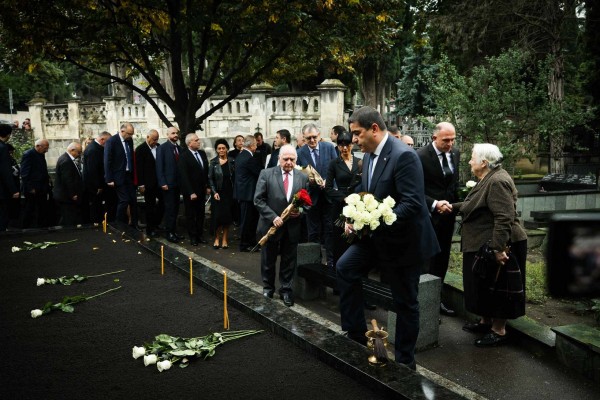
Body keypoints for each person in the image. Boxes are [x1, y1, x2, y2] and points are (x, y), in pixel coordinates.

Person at [336, 106, 439, 370]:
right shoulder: (369, 156)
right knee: (345, 267)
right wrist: (353, 217)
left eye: (357, 134)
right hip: (376, 235)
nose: (354, 140)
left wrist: (373, 220)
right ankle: (356, 336)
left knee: (405, 302)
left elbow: (413, 204)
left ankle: (405, 363)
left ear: (374, 129)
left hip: (404, 242)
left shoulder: (404, 156)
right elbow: (367, 191)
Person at [449, 143, 527, 347]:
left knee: (498, 287)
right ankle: (486, 322)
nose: (469, 161)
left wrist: (498, 248)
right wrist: (451, 207)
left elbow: (504, 217)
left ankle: (498, 330)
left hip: (499, 244)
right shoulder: (488, 178)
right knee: (482, 285)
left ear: (484, 162)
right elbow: (476, 205)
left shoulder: (498, 181)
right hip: (482, 243)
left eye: (472, 157)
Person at [254, 144, 309, 307]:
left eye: (292, 159)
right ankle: (268, 287)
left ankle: (286, 290)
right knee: (268, 259)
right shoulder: (266, 174)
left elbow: (307, 203)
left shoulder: (302, 177)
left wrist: (299, 211)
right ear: (279, 159)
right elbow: (258, 200)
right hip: (270, 226)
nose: (289, 162)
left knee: (288, 260)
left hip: (292, 227)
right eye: (286, 159)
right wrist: (273, 217)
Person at [417, 122, 459, 317]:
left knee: (442, 260)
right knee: (427, 261)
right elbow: (416, 190)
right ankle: (423, 303)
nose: (450, 144)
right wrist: (434, 204)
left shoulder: (455, 154)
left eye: (452, 139)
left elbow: (452, 185)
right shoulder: (421, 156)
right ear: (434, 138)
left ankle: (437, 300)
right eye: (446, 140)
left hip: (447, 217)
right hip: (429, 217)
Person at [324, 130, 363, 296]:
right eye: (341, 145)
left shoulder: (360, 162)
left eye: (347, 144)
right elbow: (327, 188)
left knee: (356, 242)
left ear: (352, 145)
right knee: (339, 243)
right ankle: (339, 284)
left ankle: (357, 283)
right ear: (338, 146)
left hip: (357, 207)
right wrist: (343, 198)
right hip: (340, 207)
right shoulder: (334, 163)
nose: (344, 148)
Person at [297, 123, 337, 268]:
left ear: (319, 135)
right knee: (312, 233)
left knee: (330, 230)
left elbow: (336, 169)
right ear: (304, 138)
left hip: (328, 197)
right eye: (309, 139)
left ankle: (332, 264)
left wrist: (329, 181)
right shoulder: (300, 153)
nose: (312, 141)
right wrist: (310, 181)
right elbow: (300, 177)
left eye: (314, 137)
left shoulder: (329, 148)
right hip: (311, 198)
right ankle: (314, 264)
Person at [178, 133, 210, 246]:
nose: (199, 141)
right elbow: (184, 176)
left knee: (201, 214)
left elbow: (206, 171)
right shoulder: (184, 156)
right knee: (191, 214)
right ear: (189, 143)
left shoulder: (202, 153)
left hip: (202, 190)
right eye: (196, 140)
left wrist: (208, 186)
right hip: (191, 192)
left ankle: (199, 235)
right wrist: (191, 192)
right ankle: (192, 237)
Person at [234, 135, 262, 252]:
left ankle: (251, 242)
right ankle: (244, 244)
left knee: (250, 220)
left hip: (244, 193)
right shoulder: (249, 158)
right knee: (247, 221)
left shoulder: (241, 155)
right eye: (255, 144)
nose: (256, 146)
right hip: (247, 194)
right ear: (251, 145)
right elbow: (259, 173)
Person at [156, 126, 183, 243]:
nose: (175, 135)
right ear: (167, 135)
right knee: (170, 210)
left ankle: (174, 231)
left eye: (176, 133)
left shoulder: (180, 149)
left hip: (178, 185)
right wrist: (162, 182)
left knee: (176, 209)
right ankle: (169, 233)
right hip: (168, 185)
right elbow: (159, 167)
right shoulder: (162, 148)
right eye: (173, 133)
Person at [135, 129, 163, 237]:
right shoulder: (140, 149)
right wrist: (141, 185)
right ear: (148, 137)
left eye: (156, 139)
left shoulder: (159, 147)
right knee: (149, 206)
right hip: (148, 184)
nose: (155, 142)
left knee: (163, 202)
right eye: (153, 139)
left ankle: (156, 223)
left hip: (159, 182)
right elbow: (139, 169)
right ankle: (150, 229)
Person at [208, 138, 235, 249]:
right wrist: (214, 192)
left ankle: (224, 239)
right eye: (219, 148)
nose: (221, 150)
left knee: (227, 218)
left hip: (229, 194)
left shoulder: (232, 161)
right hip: (218, 194)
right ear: (216, 150)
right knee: (217, 218)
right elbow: (210, 179)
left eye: (223, 148)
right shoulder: (213, 162)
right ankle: (216, 238)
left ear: (227, 149)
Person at [20, 138, 50, 228]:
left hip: (42, 188)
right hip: (32, 188)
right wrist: (30, 188)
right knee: (30, 209)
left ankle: (40, 226)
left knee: (42, 208)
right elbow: (24, 173)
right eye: (45, 148)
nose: (47, 150)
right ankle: (25, 228)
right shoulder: (28, 154)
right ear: (38, 146)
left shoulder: (41, 154)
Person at [53, 142, 84, 226]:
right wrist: (72, 194)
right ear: (72, 150)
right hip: (66, 196)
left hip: (66, 195)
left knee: (69, 216)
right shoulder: (66, 161)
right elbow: (67, 180)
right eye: (78, 152)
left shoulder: (66, 158)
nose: (79, 154)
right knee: (68, 217)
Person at [83, 131, 111, 224]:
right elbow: (92, 170)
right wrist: (98, 186)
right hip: (94, 186)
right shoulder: (93, 150)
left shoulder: (96, 148)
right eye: (108, 142)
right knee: (95, 207)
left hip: (98, 184)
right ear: (102, 139)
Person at [0, 123, 19, 231]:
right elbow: (5, 171)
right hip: (2, 189)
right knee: (3, 215)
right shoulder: (3, 148)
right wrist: (13, 190)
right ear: (8, 135)